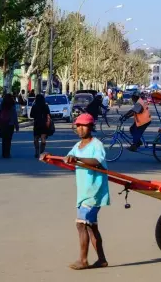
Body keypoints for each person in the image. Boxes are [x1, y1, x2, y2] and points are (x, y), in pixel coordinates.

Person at [42, 113, 110, 270]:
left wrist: (78, 159)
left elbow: (98, 161)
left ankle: (83, 260)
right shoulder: (78, 146)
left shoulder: (96, 144)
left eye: (84, 125)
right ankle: (102, 259)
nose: (80, 128)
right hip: (83, 193)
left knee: (81, 224)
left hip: (94, 192)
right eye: (78, 125)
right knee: (91, 226)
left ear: (91, 127)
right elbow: (67, 159)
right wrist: (49, 156)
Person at [0, 94, 19, 158]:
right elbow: (15, 117)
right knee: (8, 139)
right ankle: (7, 153)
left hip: (3, 124)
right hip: (10, 124)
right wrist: (16, 126)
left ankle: (3, 153)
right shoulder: (12, 106)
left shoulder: (1, 106)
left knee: (4, 139)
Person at [30, 94, 51, 158]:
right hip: (44, 124)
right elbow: (48, 114)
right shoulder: (45, 106)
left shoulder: (34, 106)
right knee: (43, 139)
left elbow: (31, 115)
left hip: (37, 124)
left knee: (36, 138)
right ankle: (41, 152)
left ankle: (37, 151)